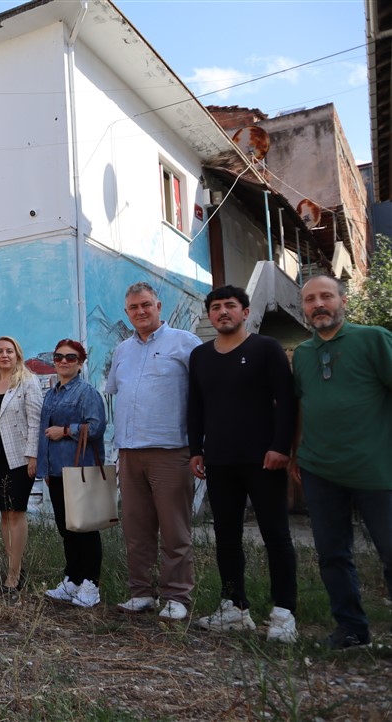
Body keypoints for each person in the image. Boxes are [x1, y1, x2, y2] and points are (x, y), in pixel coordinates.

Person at [189, 286, 299, 642]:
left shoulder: (265, 348)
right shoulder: (201, 356)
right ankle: (234, 607)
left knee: (276, 535)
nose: (223, 312)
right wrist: (196, 449)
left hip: (263, 459)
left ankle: (284, 613)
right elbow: (196, 406)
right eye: (216, 307)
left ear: (245, 312)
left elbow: (286, 399)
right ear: (210, 316)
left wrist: (281, 446)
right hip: (219, 460)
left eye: (230, 306)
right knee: (227, 536)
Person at [290, 274, 392, 650]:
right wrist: (297, 451)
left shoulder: (373, 339)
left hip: (376, 466)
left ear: (343, 301)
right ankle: (350, 628)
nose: (318, 305)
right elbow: (302, 404)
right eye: (310, 299)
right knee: (333, 554)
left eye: (326, 297)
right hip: (320, 468)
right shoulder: (302, 353)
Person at [105, 281, 200, 619]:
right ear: (127, 313)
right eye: (133, 307)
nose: (140, 312)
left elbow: (202, 394)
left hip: (170, 450)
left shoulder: (185, 343)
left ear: (158, 306)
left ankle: (177, 596)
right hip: (129, 452)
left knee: (174, 527)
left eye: (146, 305)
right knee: (136, 526)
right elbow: (115, 389)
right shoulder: (122, 351)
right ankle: (141, 592)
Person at [40, 339, 107, 608]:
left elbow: (97, 426)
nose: (63, 361)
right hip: (57, 470)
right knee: (66, 528)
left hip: (79, 469)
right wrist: (44, 467)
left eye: (70, 357)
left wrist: (66, 430)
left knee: (85, 527)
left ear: (80, 362)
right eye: (59, 357)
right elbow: (43, 432)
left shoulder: (86, 393)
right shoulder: (52, 393)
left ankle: (91, 583)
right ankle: (73, 579)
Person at [0, 336, 42, 594]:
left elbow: (36, 421)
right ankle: (11, 567)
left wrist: (33, 457)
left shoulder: (28, 382)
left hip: (19, 458)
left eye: (9, 351)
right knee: (4, 514)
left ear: (17, 354)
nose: (4, 355)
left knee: (16, 512)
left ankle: (14, 576)